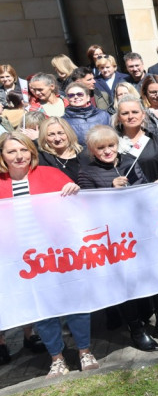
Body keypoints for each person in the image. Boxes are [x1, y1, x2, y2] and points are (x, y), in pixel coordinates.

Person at [79, 122, 158, 351]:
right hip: (114, 240)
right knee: (126, 285)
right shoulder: (86, 172)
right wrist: (111, 187)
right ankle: (137, 331)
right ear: (92, 150)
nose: (107, 151)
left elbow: (143, 192)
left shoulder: (129, 161)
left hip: (142, 231)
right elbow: (87, 208)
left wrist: (156, 188)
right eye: (101, 148)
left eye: (111, 145)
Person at [0, 132, 91, 377]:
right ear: (2, 156)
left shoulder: (50, 174)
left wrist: (74, 191)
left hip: (59, 252)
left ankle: (84, 351)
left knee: (76, 303)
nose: (19, 156)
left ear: (32, 151)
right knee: (42, 308)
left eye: (24, 150)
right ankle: (57, 358)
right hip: (23, 259)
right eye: (11, 151)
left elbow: (80, 209)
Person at [37, 116, 86, 182]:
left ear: (68, 133)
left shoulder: (85, 154)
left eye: (61, 133)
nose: (57, 138)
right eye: (51, 134)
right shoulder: (41, 158)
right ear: (44, 137)